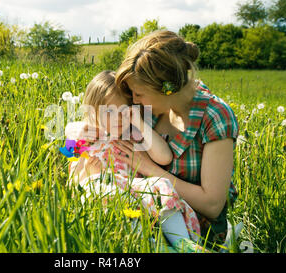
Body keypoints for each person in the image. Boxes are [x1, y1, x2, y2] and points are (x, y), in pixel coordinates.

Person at [69, 30, 239, 249]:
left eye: (138, 94)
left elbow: (213, 205)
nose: (134, 102)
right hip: (140, 210)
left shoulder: (214, 116)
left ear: (167, 89)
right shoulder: (145, 112)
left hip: (197, 230)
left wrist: (149, 169)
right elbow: (86, 144)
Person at [66, 70, 202, 249]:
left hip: (133, 193)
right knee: (108, 197)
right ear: (93, 112)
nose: (118, 118)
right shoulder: (83, 139)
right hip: (101, 196)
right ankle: (153, 246)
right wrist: (88, 173)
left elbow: (164, 156)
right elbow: (70, 185)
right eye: (108, 112)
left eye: (124, 110)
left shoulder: (134, 134)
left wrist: (138, 122)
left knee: (163, 186)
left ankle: (184, 244)